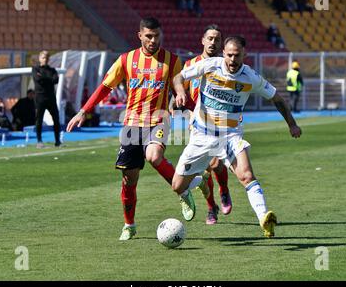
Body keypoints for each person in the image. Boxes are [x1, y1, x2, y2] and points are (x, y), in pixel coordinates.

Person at [66, 17, 208, 241]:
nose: (153, 41)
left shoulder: (172, 61)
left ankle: (183, 190)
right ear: (140, 35)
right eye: (149, 36)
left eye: (157, 36)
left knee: (153, 156)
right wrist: (84, 110)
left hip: (159, 119)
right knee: (129, 179)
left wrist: (199, 114)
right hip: (132, 123)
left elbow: (181, 92)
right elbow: (105, 87)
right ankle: (129, 224)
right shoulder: (126, 60)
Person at [172, 36, 302, 238]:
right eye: (229, 55)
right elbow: (178, 77)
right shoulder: (209, 65)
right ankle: (200, 183)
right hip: (201, 136)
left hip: (230, 136)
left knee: (247, 176)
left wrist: (292, 124)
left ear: (244, 55)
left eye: (237, 55)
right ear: (223, 53)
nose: (233, 60)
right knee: (177, 186)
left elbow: (277, 98)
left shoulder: (250, 77)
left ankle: (264, 219)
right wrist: (180, 91)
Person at [181, 24, 232, 225]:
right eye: (209, 38)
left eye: (217, 39)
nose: (213, 42)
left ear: (221, 43)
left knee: (216, 164)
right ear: (202, 40)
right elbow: (180, 89)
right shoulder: (190, 65)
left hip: (220, 122)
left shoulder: (226, 65)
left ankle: (224, 190)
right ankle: (211, 207)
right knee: (204, 169)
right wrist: (176, 104)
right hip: (198, 124)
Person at [32, 50, 62, 148]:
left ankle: (57, 141)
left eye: (47, 58)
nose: (45, 60)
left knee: (56, 119)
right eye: (43, 58)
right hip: (40, 98)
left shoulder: (52, 70)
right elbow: (38, 79)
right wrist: (49, 79)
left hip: (51, 98)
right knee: (39, 119)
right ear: (40, 58)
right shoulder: (36, 69)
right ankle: (39, 141)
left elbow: (56, 80)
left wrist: (44, 78)